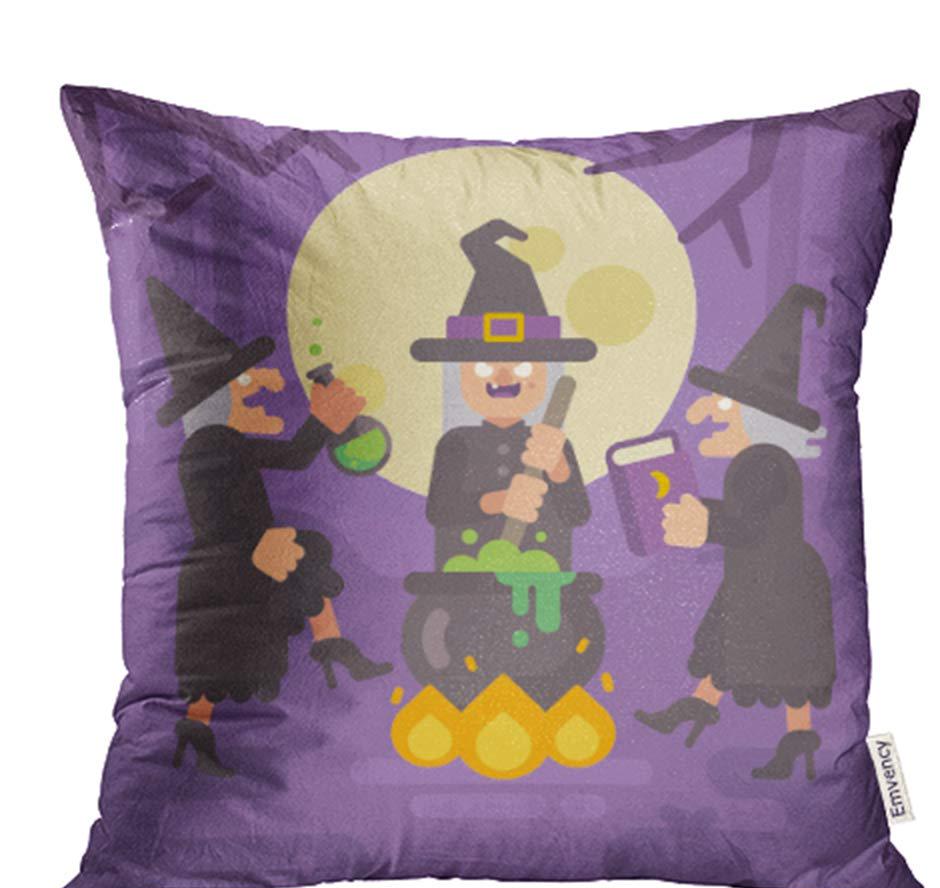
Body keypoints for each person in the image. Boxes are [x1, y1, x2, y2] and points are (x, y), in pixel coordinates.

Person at [147, 278, 392, 777]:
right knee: (222, 656)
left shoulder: (221, 441)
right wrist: (321, 420)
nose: (262, 386)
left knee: (306, 551)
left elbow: (294, 457)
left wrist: (319, 418)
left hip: (248, 558)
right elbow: (235, 501)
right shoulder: (212, 443)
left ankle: (328, 644)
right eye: (245, 383)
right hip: (227, 567)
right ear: (216, 399)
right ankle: (198, 728)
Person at [635, 284, 835, 781]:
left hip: (781, 581)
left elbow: (753, 524)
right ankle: (700, 706)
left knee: (785, 661)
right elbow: (743, 515)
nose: (704, 414)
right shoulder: (757, 460)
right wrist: (704, 512)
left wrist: (706, 525)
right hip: (758, 576)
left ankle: (796, 738)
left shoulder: (764, 462)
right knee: (729, 643)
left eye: (722, 406)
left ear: (757, 417)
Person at [410, 219, 596, 567]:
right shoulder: (455, 443)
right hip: (463, 569)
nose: (504, 376)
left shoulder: (554, 444)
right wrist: (499, 502)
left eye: (523, 367)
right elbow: (440, 511)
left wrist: (558, 469)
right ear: (461, 374)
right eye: (483, 366)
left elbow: (578, 514)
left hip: (545, 573)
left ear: (546, 373)